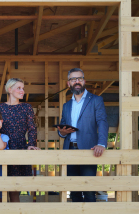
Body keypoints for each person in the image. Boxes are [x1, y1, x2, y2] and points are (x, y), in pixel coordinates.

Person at [56, 68, 108, 202]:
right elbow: (62, 126)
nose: (77, 81)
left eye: (79, 78)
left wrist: (101, 144)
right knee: (74, 191)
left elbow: (102, 122)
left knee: (89, 190)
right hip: (70, 150)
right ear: (69, 84)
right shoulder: (66, 105)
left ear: (84, 81)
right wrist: (62, 132)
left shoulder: (96, 100)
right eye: (73, 79)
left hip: (89, 150)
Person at [0, 78, 40, 202]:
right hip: (3, 147)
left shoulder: (26, 107)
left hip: (21, 147)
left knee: (16, 188)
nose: (22, 91)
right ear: (10, 90)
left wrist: (31, 144)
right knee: (1, 188)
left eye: (23, 88)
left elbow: (32, 128)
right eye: (19, 88)